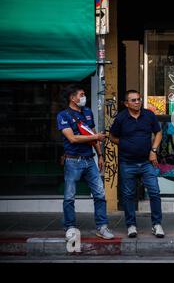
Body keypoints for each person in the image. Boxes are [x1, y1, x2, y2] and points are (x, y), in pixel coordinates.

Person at [57, 84, 114, 240]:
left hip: (90, 161)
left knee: (100, 194)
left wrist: (100, 155)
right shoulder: (63, 115)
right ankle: (69, 227)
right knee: (69, 196)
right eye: (81, 94)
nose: (84, 97)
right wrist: (95, 138)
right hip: (73, 161)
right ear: (72, 98)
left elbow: (92, 134)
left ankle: (102, 226)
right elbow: (72, 138)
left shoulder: (88, 112)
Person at [109, 90, 164, 238]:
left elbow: (158, 132)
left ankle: (157, 224)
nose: (137, 102)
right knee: (128, 195)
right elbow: (112, 136)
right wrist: (126, 143)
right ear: (126, 103)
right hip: (127, 163)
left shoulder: (149, 115)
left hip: (147, 163)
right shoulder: (121, 118)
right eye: (133, 100)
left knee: (155, 192)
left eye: (139, 99)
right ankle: (131, 225)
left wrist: (153, 150)